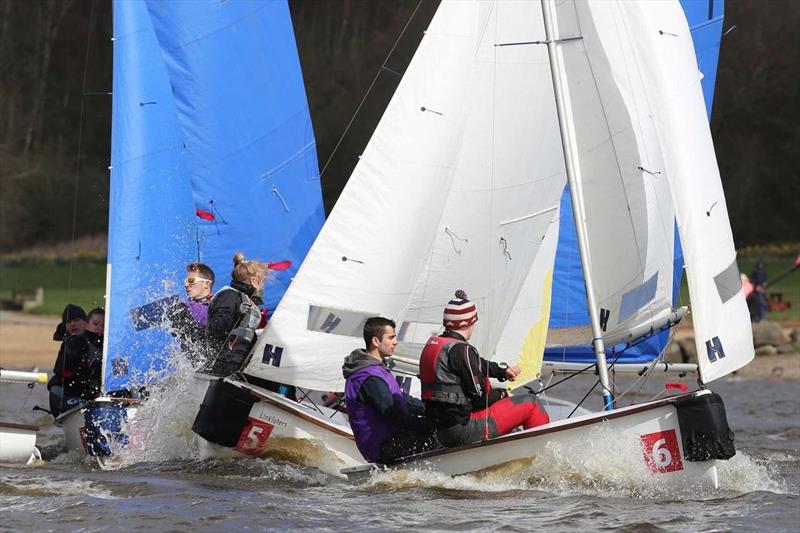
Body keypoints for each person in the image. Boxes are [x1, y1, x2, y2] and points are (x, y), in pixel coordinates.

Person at [420, 290, 549, 447]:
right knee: (531, 402)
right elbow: (482, 398)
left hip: (440, 430)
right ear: (470, 322)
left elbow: (477, 363)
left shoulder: (435, 346)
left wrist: (502, 371)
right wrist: (503, 394)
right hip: (461, 430)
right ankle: (542, 452)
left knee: (503, 402)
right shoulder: (463, 350)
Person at [343, 317, 438, 464]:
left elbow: (402, 399)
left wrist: (433, 410)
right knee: (444, 437)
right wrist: (431, 425)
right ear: (376, 341)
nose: (396, 342)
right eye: (391, 337)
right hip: (384, 447)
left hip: (393, 439)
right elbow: (394, 415)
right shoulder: (368, 377)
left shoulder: (377, 369)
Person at [206, 252, 270, 377]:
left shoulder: (246, 300)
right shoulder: (229, 296)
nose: (263, 286)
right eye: (262, 282)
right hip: (222, 366)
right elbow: (216, 328)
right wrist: (237, 314)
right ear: (254, 281)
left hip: (236, 366)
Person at [48, 307, 105, 416]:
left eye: (103, 325)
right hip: (67, 393)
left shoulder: (108, 346)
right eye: (96, 324)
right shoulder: (75, 342)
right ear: (88, 324)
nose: (99, 328)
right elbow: (67, 373)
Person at [169, 262, 215, 365]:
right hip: (194, 367)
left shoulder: (216, 307)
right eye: (186, 281)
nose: (186, 285)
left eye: (191, 280)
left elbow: (204, 315)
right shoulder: (186, 306)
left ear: (207, 284)